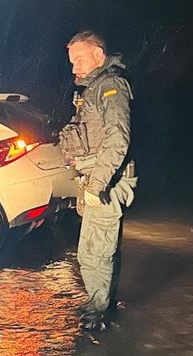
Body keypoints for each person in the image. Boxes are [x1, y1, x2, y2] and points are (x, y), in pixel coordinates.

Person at [59, 30, 137, 331]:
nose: (74, 67)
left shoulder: (110, 87)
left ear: (98, 56)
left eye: (79, 59)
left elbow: (118, 139)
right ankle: (102, 305)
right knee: (99, 248)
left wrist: (96, 185)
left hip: (106, 182)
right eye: (71, 61)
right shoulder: (94, 88)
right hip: (98, 177)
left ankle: (97, 317)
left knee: (94, 252)